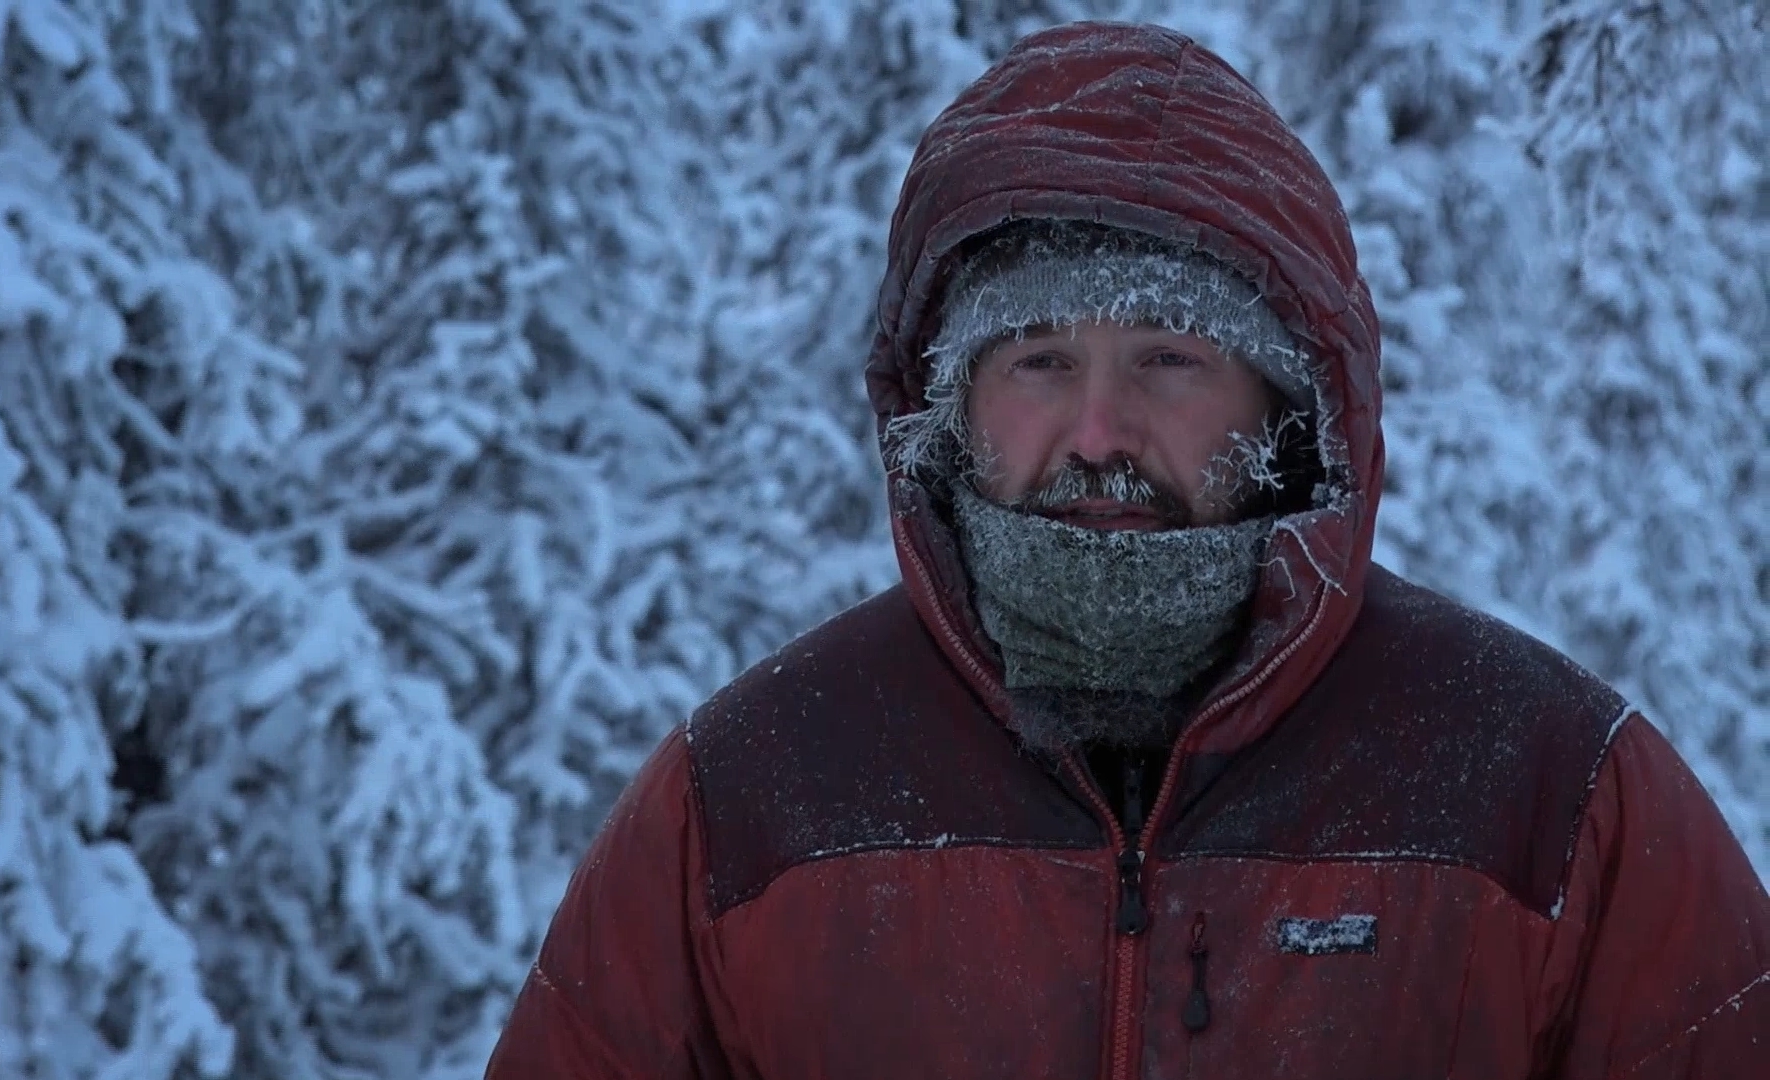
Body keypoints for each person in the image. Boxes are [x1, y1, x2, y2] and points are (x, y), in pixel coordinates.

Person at [483, 20, 1770, 1079]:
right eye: (1040, 361)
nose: (1098, 432)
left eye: (1169, 358)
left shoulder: (1546, 793)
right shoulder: (754, 798)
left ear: (1287, 405)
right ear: (950, 406)